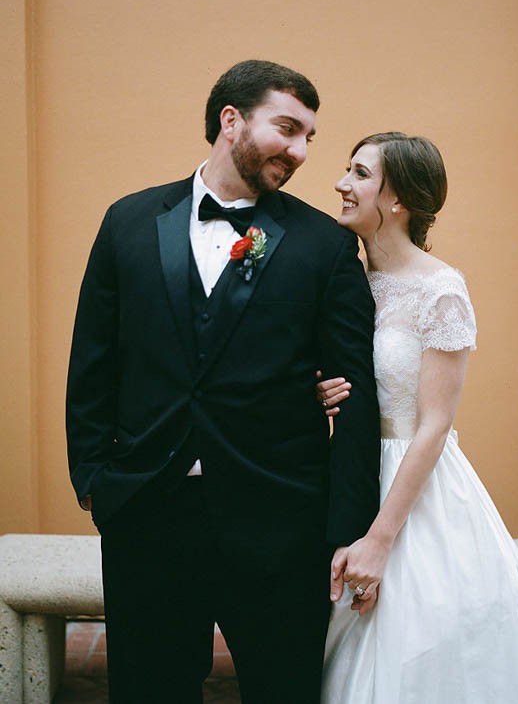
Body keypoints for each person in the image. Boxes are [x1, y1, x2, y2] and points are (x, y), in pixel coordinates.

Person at [66, 60, 381, 704]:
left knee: (283, 688)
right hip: (148, 514)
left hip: (280, 521)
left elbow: (357, 394)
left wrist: (347, 525)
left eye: (308, 139)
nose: (298, 152)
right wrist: (95, 480)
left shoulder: (322, 245)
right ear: (230, 121)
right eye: (287, 129)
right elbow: (93, 361)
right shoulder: (127, 221)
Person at [318, 132, 518, 703]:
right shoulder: (347, 280)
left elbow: (434, 425)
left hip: (416, 489)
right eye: (347, 171)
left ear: (397, 199)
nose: (342, 185)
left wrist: (378, 539)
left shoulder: (441, 290)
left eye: (360, 174)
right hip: (348, 475)